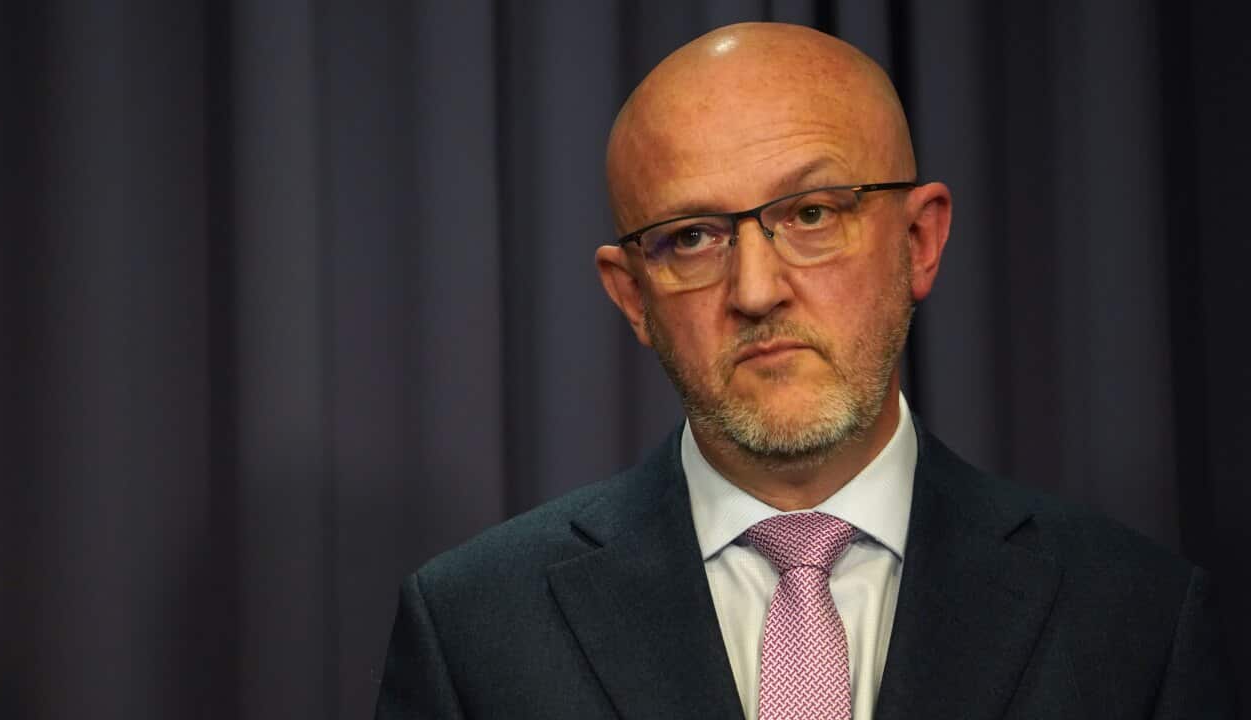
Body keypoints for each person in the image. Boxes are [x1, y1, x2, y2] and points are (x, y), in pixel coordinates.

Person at [375, 22, 1234, 720]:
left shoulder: (1136, 619)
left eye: (812, 214)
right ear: (632, 296)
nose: (755, 291)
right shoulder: (475, 629)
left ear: (919, 241)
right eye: (692, 238)